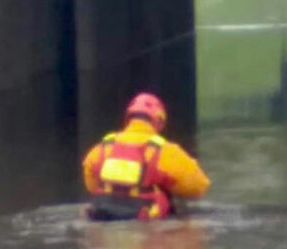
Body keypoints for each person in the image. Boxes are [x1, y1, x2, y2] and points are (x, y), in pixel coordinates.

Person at [82, 92, 210, 221]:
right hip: (143, 221)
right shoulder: (165, 151)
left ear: (128, 119)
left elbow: (91, 185)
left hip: (102, 215)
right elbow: (198, 187)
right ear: (159, 121)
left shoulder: (102, 148)